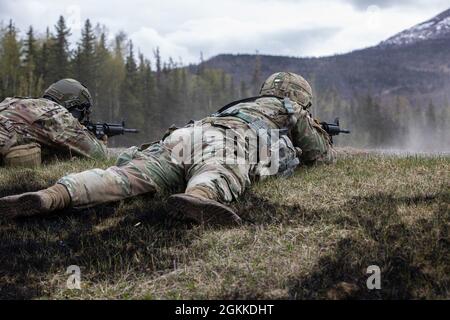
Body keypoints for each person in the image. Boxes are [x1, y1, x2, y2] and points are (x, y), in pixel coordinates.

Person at [0, 72, 336, 225]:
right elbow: (318, 154)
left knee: (125, 175)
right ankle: (200, 199)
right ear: (301, 99)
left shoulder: (237, 105)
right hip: (229, 140)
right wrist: (321, 132)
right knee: (219, 168)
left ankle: (53, 195)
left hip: (184, 135)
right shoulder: (292, 109)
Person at [0, 78, 108, 167]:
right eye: (82, 114)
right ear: (75, 106)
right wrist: (101, 143)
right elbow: (99, 156)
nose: (80, 121)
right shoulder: (58, 114)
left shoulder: (15, 101)